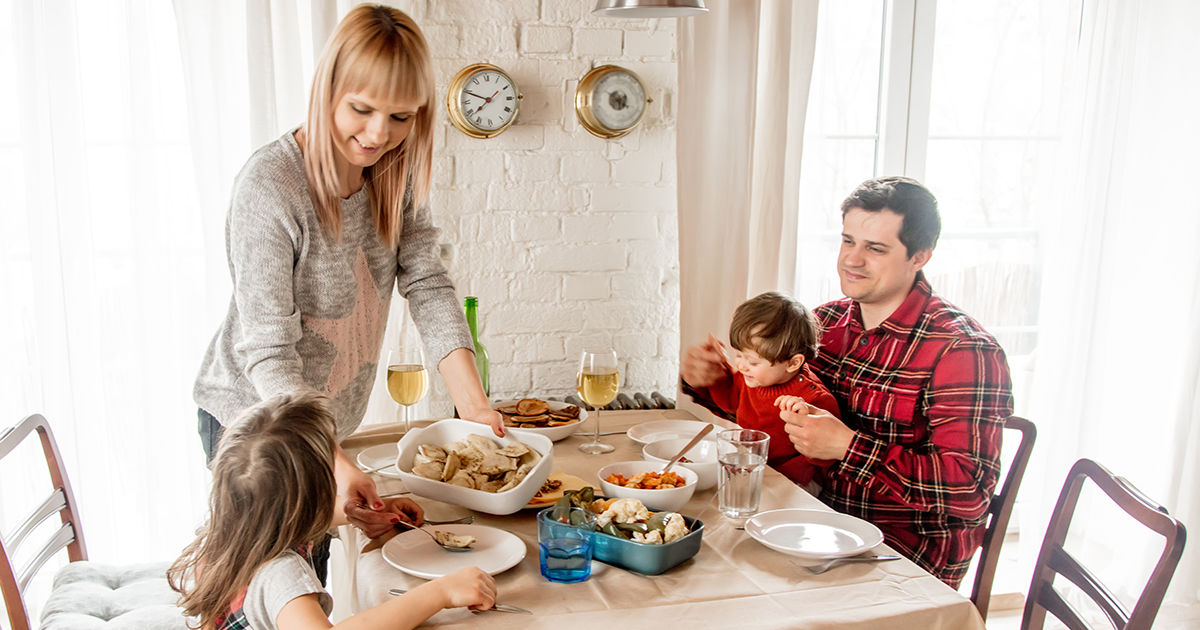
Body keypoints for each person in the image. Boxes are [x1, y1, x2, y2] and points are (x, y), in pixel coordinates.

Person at [191, 3, 502, 568]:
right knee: (276, 598)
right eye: (361, 109)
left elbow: (428, 284)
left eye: (402, 117)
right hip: (259, 428)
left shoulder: (393, 173)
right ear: (327, 89)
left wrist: (474, 408)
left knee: (316, 583)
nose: (379, 134)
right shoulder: (271, 186)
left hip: (325, 429)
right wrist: (331, 458)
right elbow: (269, 353)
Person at [778, 176, 1013, 587]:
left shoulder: (963, 350)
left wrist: (848, 447)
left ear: (919, 256)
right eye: (848, 241)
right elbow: (770, 405)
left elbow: (970, 492)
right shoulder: (824, 322)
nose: (851, 260)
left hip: (901, 558)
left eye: (875, 248)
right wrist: (715, 384)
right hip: (818, 523)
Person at [169, 392, 497, 629]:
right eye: (333, 471)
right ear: (309, 500)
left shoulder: (233, 533)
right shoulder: (279, 573)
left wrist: (360, 513)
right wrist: (441, 592)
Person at [679, 292, 841, 490]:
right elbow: (730, 401)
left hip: (797, 483)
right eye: (739, 355)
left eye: (753, 361)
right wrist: (716, 375)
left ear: (793, 363)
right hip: (756, 467)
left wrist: (802, 416)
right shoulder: (754, 378)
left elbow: (826, 458)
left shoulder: (814, 399)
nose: (742, 366)